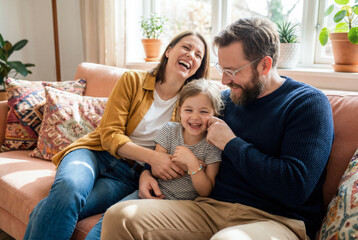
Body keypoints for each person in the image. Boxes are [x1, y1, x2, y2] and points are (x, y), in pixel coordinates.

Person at [100, 17, 334, 240]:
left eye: (232, 71)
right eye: (222, 70)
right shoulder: (226, 102)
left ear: (265, 65)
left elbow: (294, 187)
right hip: (209, 209)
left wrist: (231, 143)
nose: (224, 81)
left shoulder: (307, 104)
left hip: (276, 220)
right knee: (119, 216)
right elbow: (179, 143)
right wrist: (147, 173)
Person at [23, 30, 210, 240]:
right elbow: (109, 134)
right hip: (95, 153)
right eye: (186, 47)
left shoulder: (190, 107)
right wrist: (153, 158)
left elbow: (187, 150)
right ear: (168, 51)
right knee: (69, 188)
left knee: (50, 207)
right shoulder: (133, 80)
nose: (190, 55)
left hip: (128, 176)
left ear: (198, 68)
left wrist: (147, 172)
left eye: (198, 55)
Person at [122, 78, 224, 202]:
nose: (195, 117)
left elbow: (205, 191)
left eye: (203, 112)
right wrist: (187, 165)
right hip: (154, 193)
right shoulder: (169, 130)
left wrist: (191, 163)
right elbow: (155, 170)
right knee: (113, 213)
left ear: (215, 115)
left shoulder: (212, 144)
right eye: (188, 110)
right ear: (180, 110)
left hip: (180, 205)